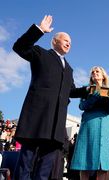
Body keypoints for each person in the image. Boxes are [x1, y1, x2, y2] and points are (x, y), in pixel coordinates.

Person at [12, 15, 86, 179]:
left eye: (71, 42)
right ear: (54, 41)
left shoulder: (69, 69)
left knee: (46, 168)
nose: (69, 43)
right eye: (65, 39)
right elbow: (20, 47)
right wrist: (39, 30)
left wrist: (87, 90)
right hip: (37, 118)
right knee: (26, 162)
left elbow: (71, 91)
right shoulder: (40, 53)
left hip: (56, 124)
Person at [71, 66, 109, 180]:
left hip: (106, 125)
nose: (94, 73)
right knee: (85, 160)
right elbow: (81, 106)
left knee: (104, 162)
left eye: (97, 71)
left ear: (103, 75)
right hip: (90, 124)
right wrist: (91, 99)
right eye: (93, 72)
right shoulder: (87, 89)